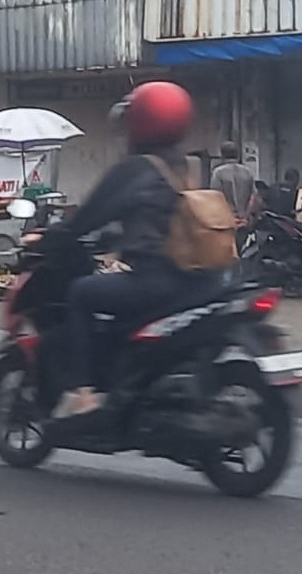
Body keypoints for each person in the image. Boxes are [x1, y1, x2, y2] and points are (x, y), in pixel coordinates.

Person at [35, 80, 223, 419]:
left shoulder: (137, 169)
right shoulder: (193, 166)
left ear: (142, 122)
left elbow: (88, 218)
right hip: (203, 281)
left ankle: (82, 392)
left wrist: (53, 236)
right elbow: (164, 217)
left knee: (81, 293)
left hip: (158, 281)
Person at [210, 142, 256, 223]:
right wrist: (245, 217)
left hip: (225, 220)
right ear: (238, 155)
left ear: (222, 155)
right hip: (244, 220)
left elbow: (216, 197)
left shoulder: (218, 172)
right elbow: (253, 197)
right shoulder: (247, 172)